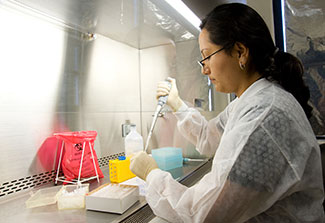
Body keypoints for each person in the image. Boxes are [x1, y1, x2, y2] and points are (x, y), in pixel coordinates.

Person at [130, 3, 325, 222]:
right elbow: (208, 137)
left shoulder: (264, 115)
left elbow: (205, 215)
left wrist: (152, 174)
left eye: (207, 56)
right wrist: (177, 104)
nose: (205, 69)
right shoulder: (250, 101)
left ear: (240, 52)